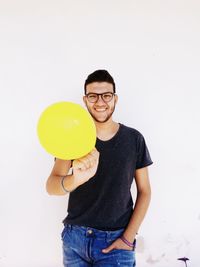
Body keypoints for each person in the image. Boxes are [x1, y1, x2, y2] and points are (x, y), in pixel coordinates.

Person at [46, 69, 153, 266]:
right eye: (93, 96)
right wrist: (76, 179)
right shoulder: (72, 138)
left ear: (115, 99)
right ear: (85, 100)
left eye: (106, 95)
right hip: (74, 239)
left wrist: (127, 238)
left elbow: (145, 191)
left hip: (116, 242)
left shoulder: (134, 139)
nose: (100, 102)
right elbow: (52, 186)